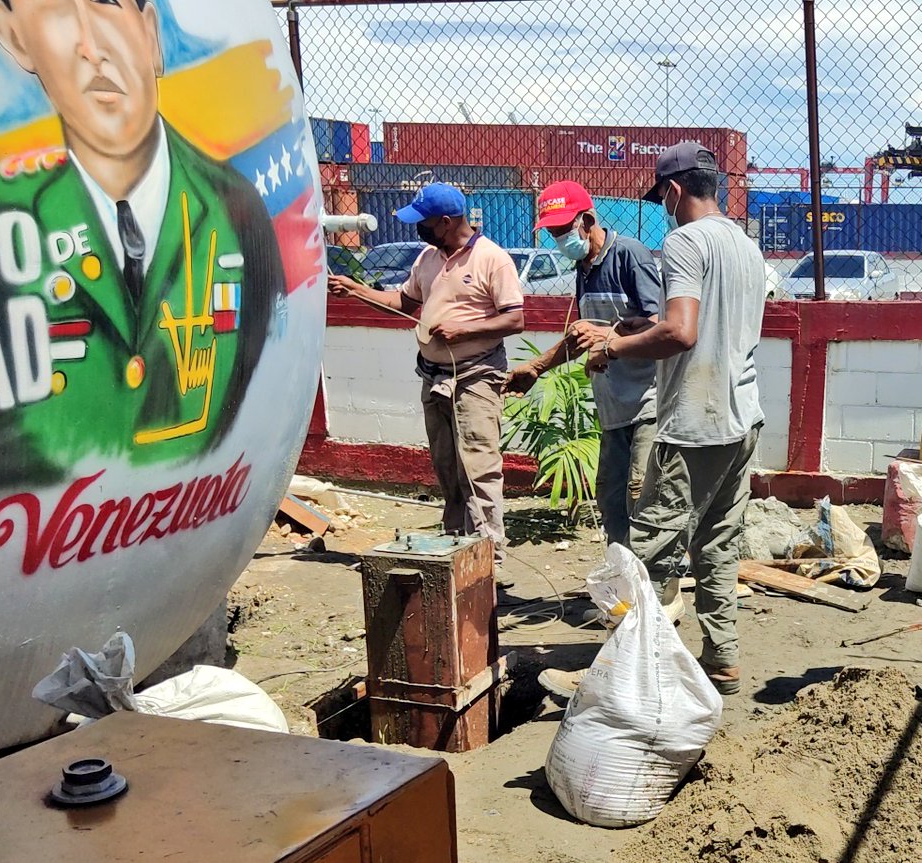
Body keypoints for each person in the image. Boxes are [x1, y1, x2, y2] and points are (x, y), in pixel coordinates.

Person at [0, 0, 285, 485]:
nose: (91, 47)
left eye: (107, 3)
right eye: (55, 10)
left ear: (149, 32)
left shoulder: (237, 212)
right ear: (15, 36)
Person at [572, 142, 767, 695]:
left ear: (675, 191)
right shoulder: (746, 247)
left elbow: (680, 331)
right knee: (718, 544)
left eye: (663, 198)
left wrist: (613, 343)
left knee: (653, 549)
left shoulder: (684, 241)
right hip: (742, 416)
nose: (664, 208)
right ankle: (723, 660)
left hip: (693, 423)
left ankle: (637, 676)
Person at [328, 183, 524, 571]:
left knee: (479, 468)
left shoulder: (492, 260)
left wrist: (464, 331)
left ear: (448, 221)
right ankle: (455, 550)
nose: (417, 228)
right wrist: (357, 290)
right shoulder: (428, 259)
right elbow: (404, 302)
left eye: (424, 222)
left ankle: (488, 563)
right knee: (447, 467)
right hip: (433, 375)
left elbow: (515, 318)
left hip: (476, 376)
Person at [504, 181, 660, 547]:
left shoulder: (629, 255)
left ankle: (653, 594)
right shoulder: (584, 267)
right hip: (613, 408)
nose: (558, 239)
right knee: (610, 500)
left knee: (643, 499)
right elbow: (583, 337)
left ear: (587, 220)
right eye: (552, 232)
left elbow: (659, 326)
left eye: (563, 229)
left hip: (648, 404)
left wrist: (606, 336)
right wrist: (537, 367)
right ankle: (622, 588)